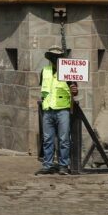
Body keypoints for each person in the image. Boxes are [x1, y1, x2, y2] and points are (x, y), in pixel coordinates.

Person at [35, 46, 78, 176]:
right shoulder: (45, 71)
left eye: (57, 57)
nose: (55, 59)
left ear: (61, 58)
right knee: (47, 139)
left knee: (63, 139)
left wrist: (74, 91)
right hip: (48, 110)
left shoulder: (68, 72)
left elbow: (75, 90)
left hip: (62, 109)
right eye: (53, 57)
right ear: (50, 58)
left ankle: (63, 165)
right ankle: (47, 165)